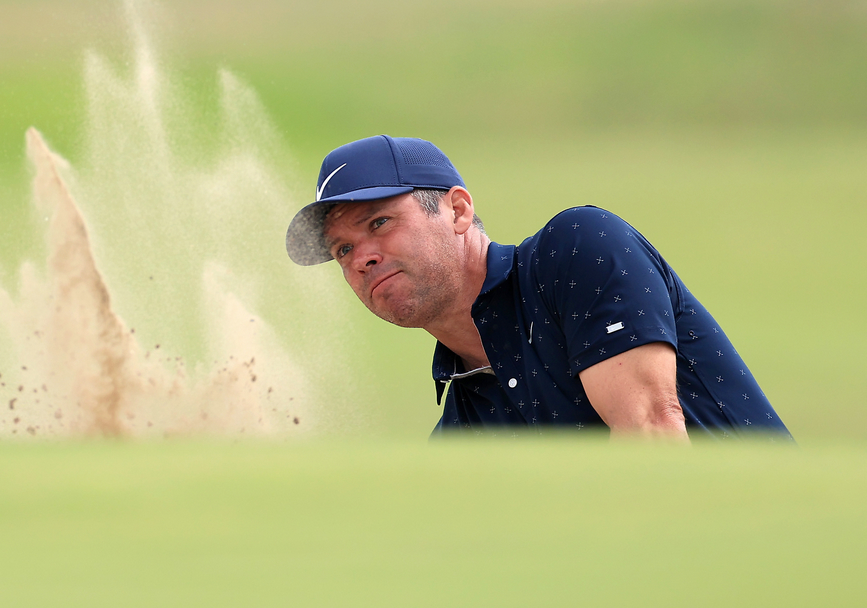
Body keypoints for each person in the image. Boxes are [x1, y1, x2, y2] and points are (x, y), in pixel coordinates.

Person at [285, 135, 791, 440]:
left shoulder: (575, 250)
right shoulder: (463, 424)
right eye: (342, 251)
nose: (362, 259)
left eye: (378, 223)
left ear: (458, 211)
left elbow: (653, 430)